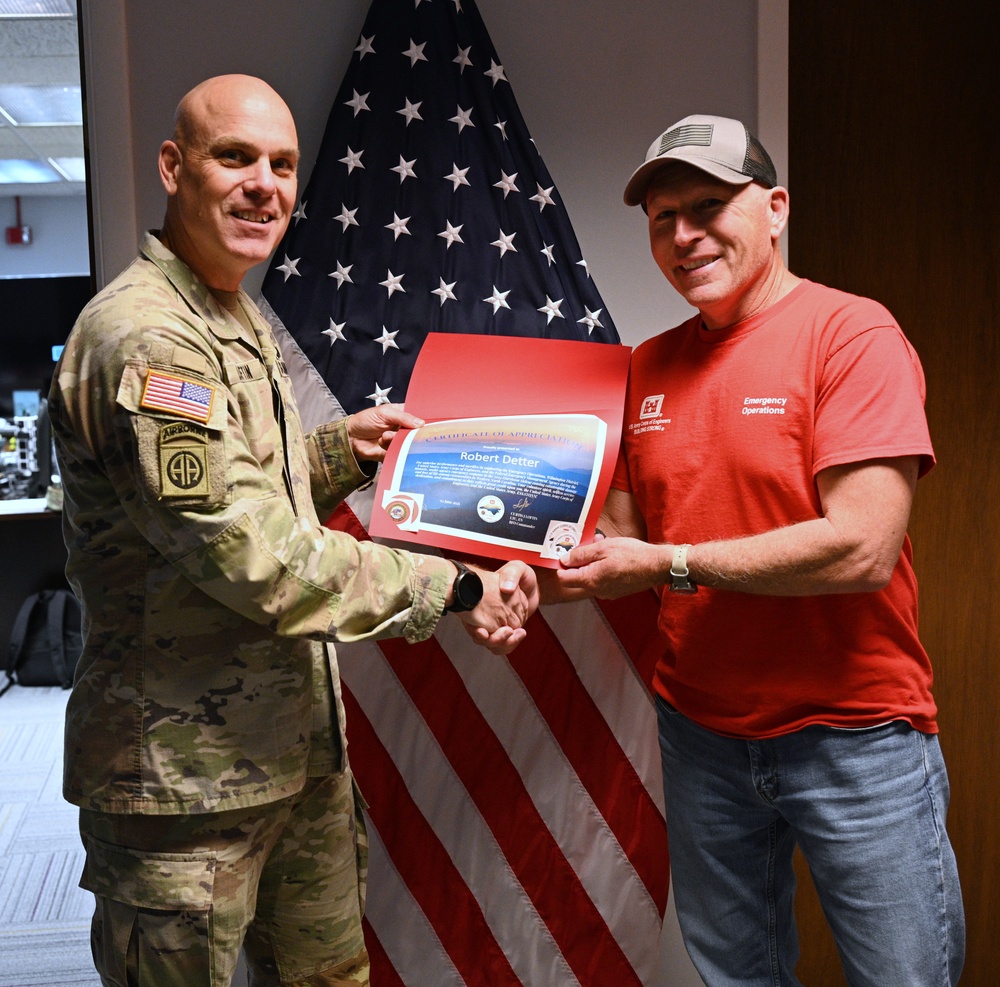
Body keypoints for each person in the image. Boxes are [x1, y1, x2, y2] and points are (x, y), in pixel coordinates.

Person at [48, 74, 539, 987]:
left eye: (281, 164)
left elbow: (237, 493)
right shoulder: (148, 339)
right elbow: (253, 554)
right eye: (235, 157)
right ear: (173, 167)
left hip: (293, 758)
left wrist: (339, 451)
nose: (264, 185)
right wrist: (455, 584)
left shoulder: (228, 310)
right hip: (185, 785)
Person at [551, 115, 965, 985]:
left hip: (856, 734)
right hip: (701, 732)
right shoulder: (646, 366)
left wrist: (672, 563)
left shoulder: (852, 334)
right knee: (736, 976)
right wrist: (477, 562)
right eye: (664, 218)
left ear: (774, 209)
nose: (684, 235)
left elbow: (861, 547)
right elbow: (619, 545)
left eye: (709, 206)